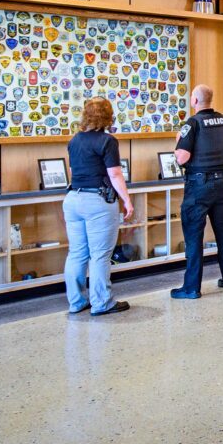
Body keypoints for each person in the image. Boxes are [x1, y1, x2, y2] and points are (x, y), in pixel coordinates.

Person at [170, 85, 223, 299]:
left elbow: (182, 158)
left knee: (194, 236)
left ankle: (191, 288)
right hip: (222, 183)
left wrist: (178, 143)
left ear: (194, 100)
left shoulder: (192, 124)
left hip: (199, 186)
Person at [63, 97, 134, 316]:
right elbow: (114, 173)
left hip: (73, 198)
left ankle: (76, 302)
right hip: (98, 201)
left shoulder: (74, 140)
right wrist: (127, 200)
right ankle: (102, 303)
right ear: (108, 116)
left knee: (76, 253)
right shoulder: (107, 141)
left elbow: (74, 172)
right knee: (100, 255)